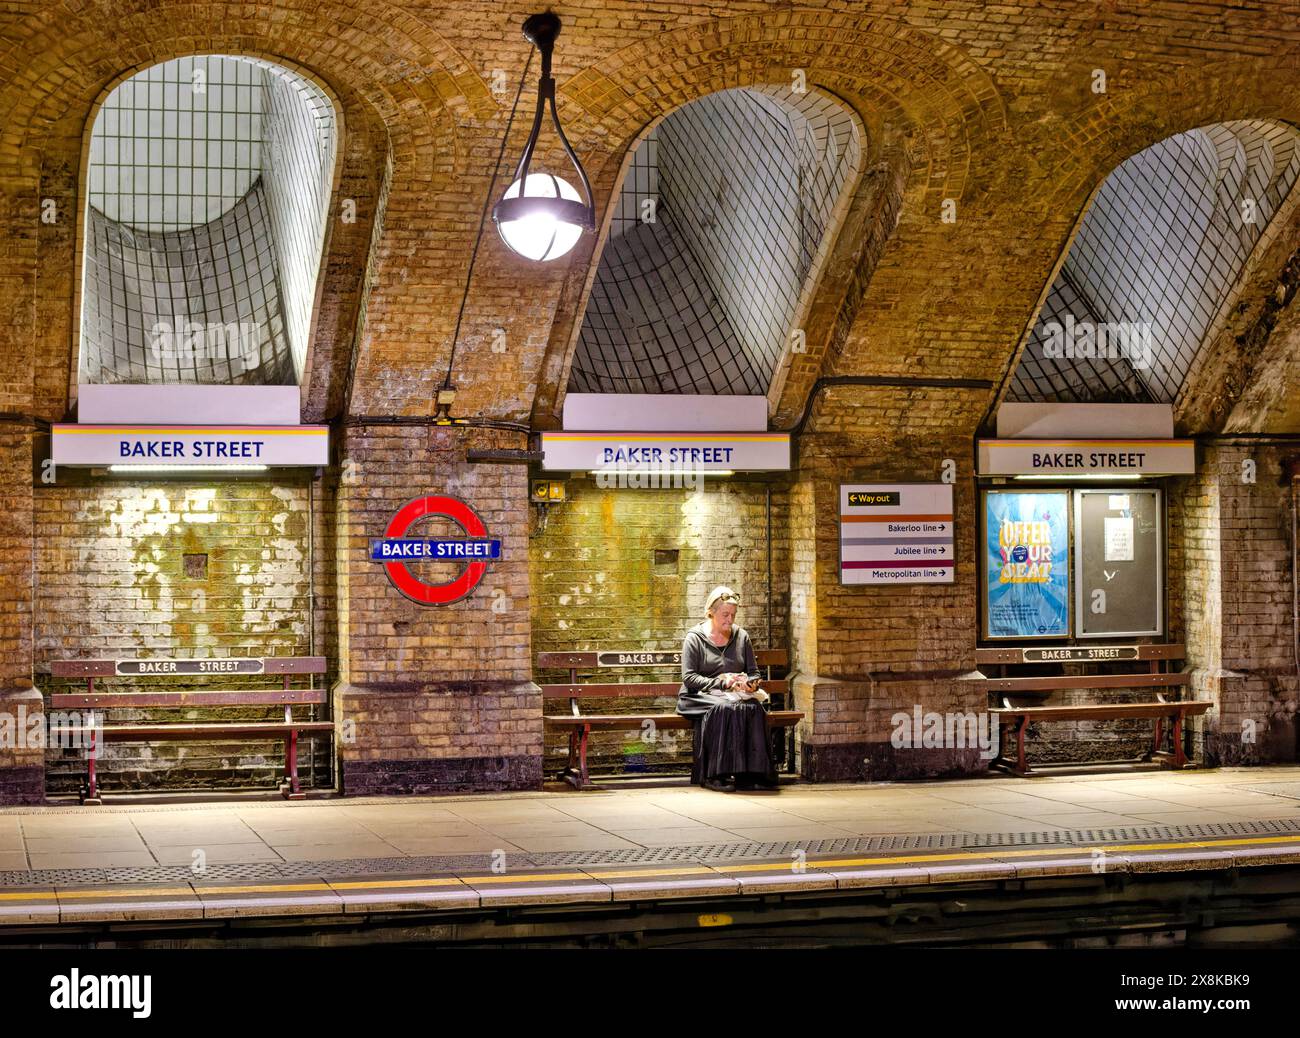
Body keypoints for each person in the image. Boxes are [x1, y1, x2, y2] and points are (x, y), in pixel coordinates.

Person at [677, 586, 777, 792]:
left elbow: (754, 672)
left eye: (733, 615)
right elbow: (689, 677)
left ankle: (750, 775)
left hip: (733, 696)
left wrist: (750, 683)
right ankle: (715, 775)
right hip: (698, 696)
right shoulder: (694, 638)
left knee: (753, 708)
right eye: (725, 614)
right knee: (723, 709)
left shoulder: (741, 637)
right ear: (711, 612)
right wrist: (721, 682)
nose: (730, 620)